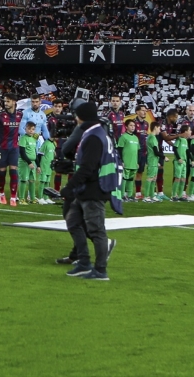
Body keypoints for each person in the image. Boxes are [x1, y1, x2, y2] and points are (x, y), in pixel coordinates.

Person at [62, 101, 115, 281]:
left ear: (81, 116)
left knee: (96, 230)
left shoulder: (93, 136)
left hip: (93, 188)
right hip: (89, 187)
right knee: (73, 221)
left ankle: (100, 270)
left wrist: (70, 187)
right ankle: (84, 262)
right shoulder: (98, 132)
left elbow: (88, 167)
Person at [0, 94, 22, 206]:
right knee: (2, 172)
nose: (6, 103)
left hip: (14, 147)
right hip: (2, 148)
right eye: (5, 101)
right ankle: (2, 194)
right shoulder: (0, 116)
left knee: (13, 171)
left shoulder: (20, 115)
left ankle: (13, 197)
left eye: (8, 101)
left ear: (14, 102)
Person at [116, 120, 140, 201]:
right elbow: (119, 150)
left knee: (130, 179)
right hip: (126, 162)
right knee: (124, 178)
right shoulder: (123, 137)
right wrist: (121, 161)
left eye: (134, 125)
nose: (133, 127)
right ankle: (122, 195)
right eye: (131, 125)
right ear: (126, 127)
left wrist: (137, 162)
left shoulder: (136, 138)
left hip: (134, 163)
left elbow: (138, 151)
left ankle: (129, 195)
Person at [18, 121, 41, 204]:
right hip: (24, 162)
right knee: (24, 180)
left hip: (32, 162)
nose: (31, 131)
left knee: (32, 180)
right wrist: (29, 162)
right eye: (29, 129)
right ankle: (21, 199)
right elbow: (22, 152)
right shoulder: (23, 138)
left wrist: (38, 165)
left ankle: (32, 198)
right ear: (25, 129)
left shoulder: (34, 139)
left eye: (33, 129)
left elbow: (35, 153)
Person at [143, 119, 165, 202]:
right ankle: (146, 196)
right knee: (150, 178)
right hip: (152, 161)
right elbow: (156, 151)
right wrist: (163, 157)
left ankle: (152, 196)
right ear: (155, 127)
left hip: (154, 161)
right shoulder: (152, 137)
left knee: (154, 178)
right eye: (159, 128)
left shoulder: (153, 137)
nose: (160, 130)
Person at [36, 132, 56, 205]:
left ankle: (46, 197)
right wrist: (38, 166)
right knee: (42, 182)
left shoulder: (53, 144)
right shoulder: (45, 143)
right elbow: (39, 155)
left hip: (49, 166)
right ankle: (40, 197)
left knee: (47, 182)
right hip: (44, 166)